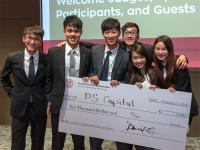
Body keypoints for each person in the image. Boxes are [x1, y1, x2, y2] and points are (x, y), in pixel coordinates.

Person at [46, 15, 92, 150]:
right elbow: (48, 78)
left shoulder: (88, 53)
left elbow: (91, 72)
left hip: (79, 104)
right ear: (64, 31)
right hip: (59, 103)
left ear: (81, 33)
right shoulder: (54, 51)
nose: (73, 34)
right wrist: (49, 99)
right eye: (69, 30)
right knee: (57, 142)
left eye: (76, 31)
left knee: (79, 143)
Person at [0, 25, 47, 150]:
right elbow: (3, 78)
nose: (32, 42)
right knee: (17, 144)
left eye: (36, 39)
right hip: (19, 107)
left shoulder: (46, 59)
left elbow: (49, 82)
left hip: (39, 108)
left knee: (38, 143)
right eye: (29, 38)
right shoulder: (12, 58)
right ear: (23, 39)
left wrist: (46, 99)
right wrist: (13, 94)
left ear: (41, 41)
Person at [89, 17, 130, 150]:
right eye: (107, 32)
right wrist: (92, 76)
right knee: (95, 143)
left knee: (122, 144)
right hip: (97, 103)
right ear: (103, 34)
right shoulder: (95, 50)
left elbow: (130, 77)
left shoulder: (127, 54)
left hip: (119, 104)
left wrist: (120, 83)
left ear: (119, 33)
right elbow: (90, 70)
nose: (110, 36)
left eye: (113, 32)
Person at [153, 35, 198, 133]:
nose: (160, 52)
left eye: (164, 49)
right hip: (169, 108)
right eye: (157, 49)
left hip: (182, 108)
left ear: (170, 50)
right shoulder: (159, 64)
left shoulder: (179, 64)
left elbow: (183, 91)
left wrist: (184, 120)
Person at [126, 43, 158, 150]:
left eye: (141, 57)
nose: (139, 61)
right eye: (135, 58)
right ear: (131, 59)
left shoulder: (154, 72)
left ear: (146, 57)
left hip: (154, 119)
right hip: (137, 121)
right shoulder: (129, 74)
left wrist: (159, 90)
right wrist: (132, 88)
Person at [121, 22, 187, 68]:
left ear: (138, 36)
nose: (129, 36)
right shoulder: (117, 49)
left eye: (132, 33)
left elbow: (164, 56)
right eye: (126, 33)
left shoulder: (148, 49)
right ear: (122, 36)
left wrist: (182, 56)